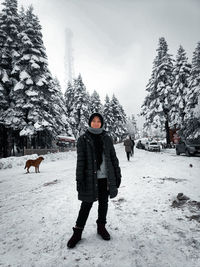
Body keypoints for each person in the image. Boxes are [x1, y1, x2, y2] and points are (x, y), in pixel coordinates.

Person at [67, 112, 121, 248]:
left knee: (104, 203)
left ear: (101, 123)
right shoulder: (83, 139)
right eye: (94, 121)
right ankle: (77, 232)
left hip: (105, 179)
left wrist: (117, 175)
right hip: (90, 179)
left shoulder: (107, 139)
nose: (96, 123)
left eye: (99, 121)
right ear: (90, 122)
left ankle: (101, 227)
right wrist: (80, 180)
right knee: (86, 205)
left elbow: (113, 158)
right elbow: (81, 162)